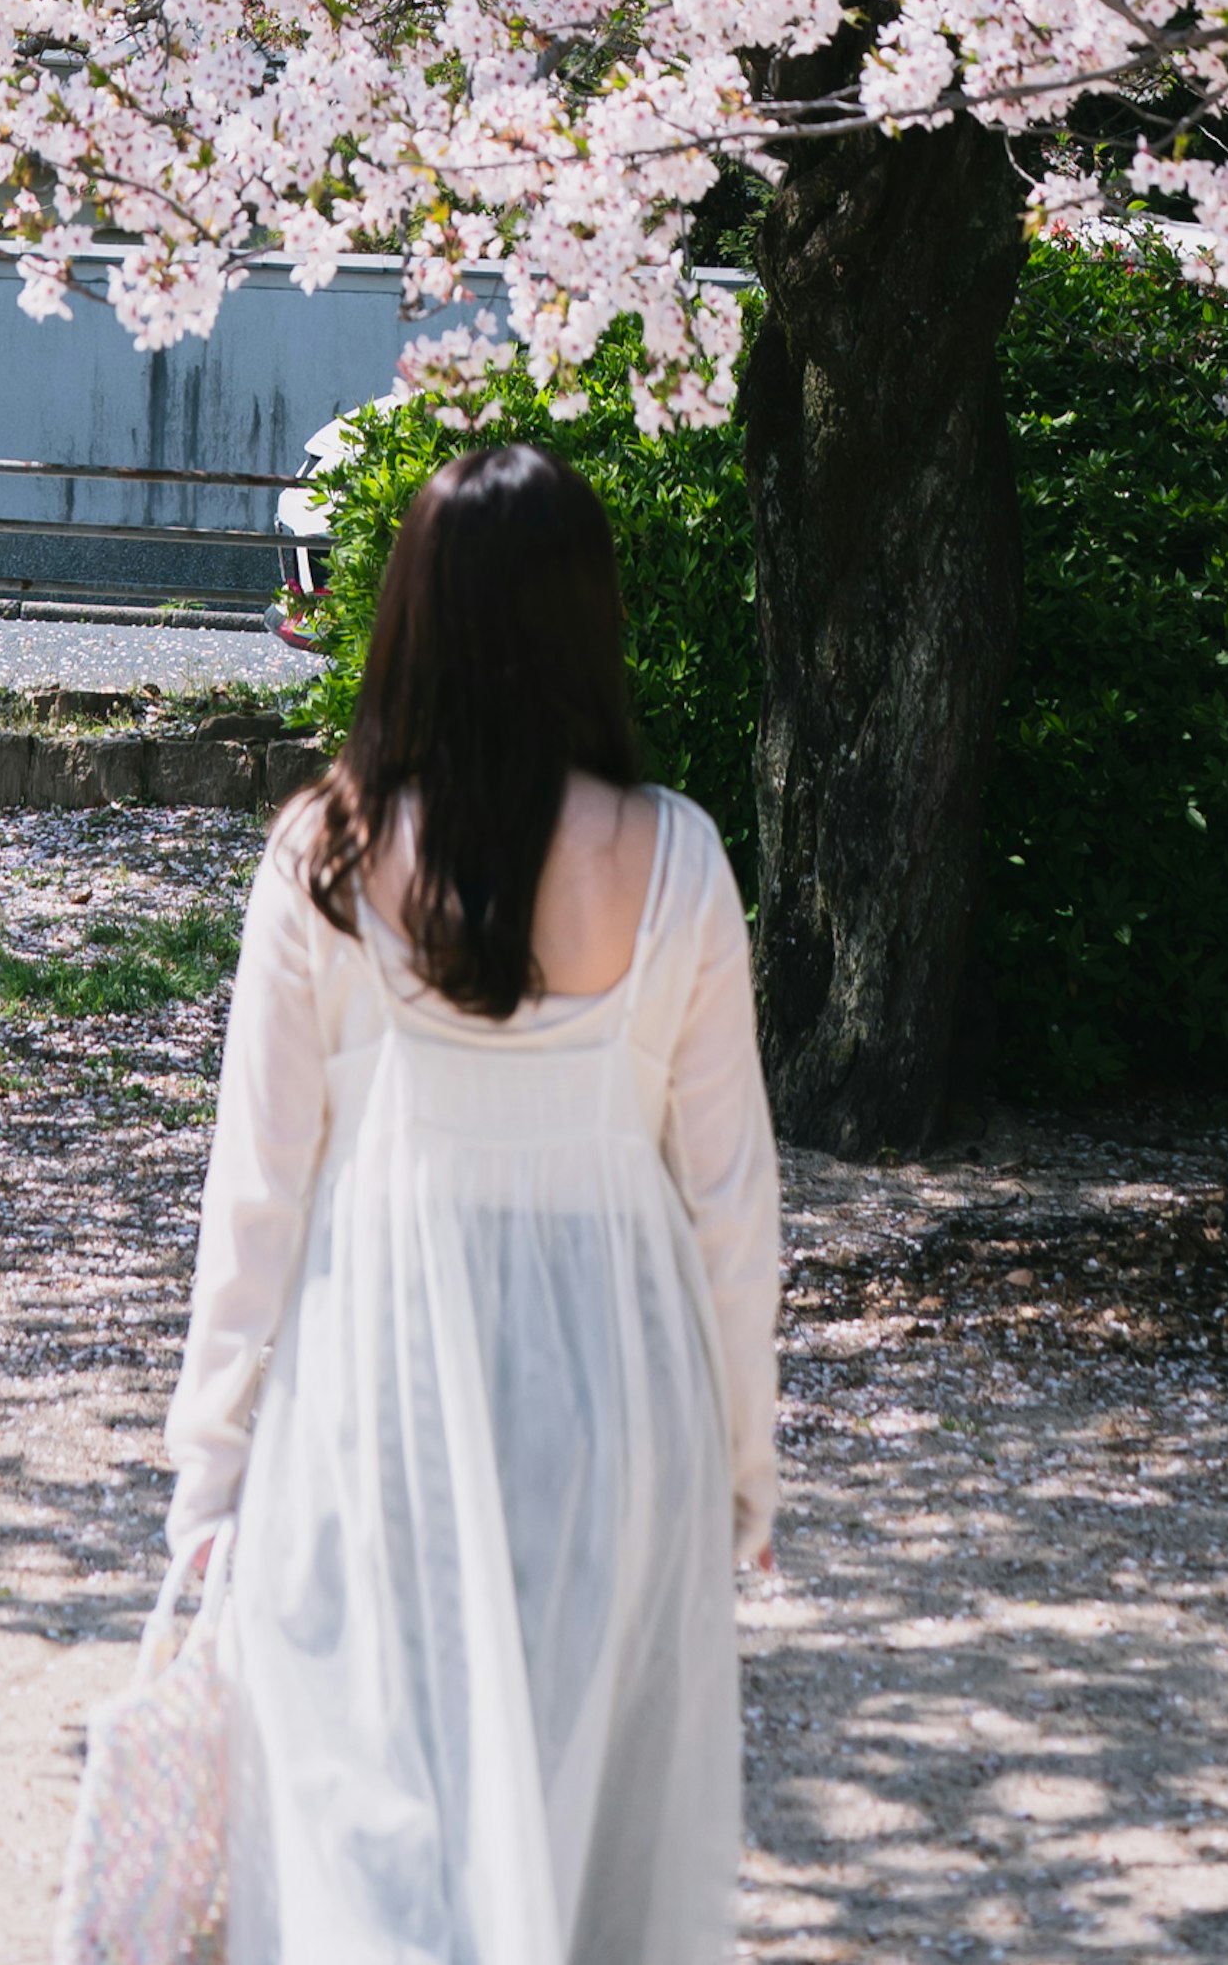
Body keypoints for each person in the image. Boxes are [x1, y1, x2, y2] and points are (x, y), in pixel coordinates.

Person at [160, 435, 781, 1965]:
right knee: (587, 1845)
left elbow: (259, 1193)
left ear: (410, 614)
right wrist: (745, 1466)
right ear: (590, 616)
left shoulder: (327, 850)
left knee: (373, 1813)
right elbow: (729, 1202)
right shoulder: (680, 858)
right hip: (622, 1394)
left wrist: (210, 1471)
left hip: (379, 1378)